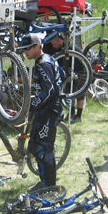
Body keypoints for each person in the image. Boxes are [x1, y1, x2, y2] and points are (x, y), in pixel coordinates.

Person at [20, 33, 63, 188]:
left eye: (28, 48)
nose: (25, 52)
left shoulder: (43, 63)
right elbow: (61, 77)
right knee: (34, 145)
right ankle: (44, 182)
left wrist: (33, 104)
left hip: (49, 111)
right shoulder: (49, 59)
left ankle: (49, 187)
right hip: (45, 110)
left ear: (38, 46)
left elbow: (50, 88)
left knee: (43, 149)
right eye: (23, 49)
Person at [43, 35, 85, 122]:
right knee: (70, 92)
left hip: (81, 71)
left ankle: (79, 116)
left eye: (54, 44)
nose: (53, 46)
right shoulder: (60, 48)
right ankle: (72, 112)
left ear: (60, 41)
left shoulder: (68, 48)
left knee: (79, 94)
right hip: (70, 72)